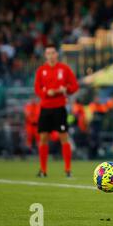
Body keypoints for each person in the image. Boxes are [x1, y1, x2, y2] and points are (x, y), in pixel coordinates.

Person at [34, 44, 79, 177]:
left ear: (57, 54)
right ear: (45, 55)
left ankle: (68, 169)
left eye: (53, 53)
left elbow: (75, 86)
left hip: (59, 108)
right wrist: (47, 92)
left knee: (63, 137)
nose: (51, 55)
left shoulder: (64, 69)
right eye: (48, 53)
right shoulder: (41, 70)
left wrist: (65, 90)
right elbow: (37, 89)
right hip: (45, 108)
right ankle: (43, 170)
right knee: (43, 138)